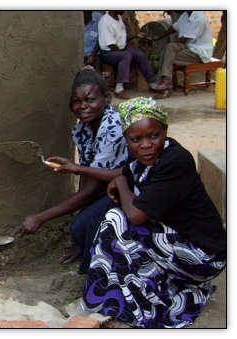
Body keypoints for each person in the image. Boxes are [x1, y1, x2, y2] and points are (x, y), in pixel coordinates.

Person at [82, 97, 226, 328]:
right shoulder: (144, 157)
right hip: (180, 241)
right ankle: (122, 296)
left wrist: (120, 183)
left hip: (204, 256)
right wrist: (75, 168)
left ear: (165, 131)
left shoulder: (175, 160)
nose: (146, 145)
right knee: (120, 222)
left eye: (154, 136)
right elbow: (124, 172)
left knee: (117, 221)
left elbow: (136, 215)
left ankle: (135, 309)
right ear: (127, 139)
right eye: (136, 139)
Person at [14, 69, 129, 274]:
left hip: (131, 188)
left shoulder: (112, 127)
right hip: (109, 185)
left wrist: (39, 218)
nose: (83, 106)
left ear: (106, 98)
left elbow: (90, 190)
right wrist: (77, 172)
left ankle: (93, 274)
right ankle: (84, 240)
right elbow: (88, 178)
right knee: (80, 225)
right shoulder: (84, 129)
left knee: (87, 224)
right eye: (77, 101)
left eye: (90, 99)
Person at [149, 11, 214, 98]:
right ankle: (165, 82)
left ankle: (166, 85)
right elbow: (174, 27)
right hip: (188, 47)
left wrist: (171, 44)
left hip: (199, 52)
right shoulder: (185, 15)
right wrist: (159, 37)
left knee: (168, 55)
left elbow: (186, 38)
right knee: (169, 50)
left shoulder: (199, 18)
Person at [97, 11, 160, 99]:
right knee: (126, 56)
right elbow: (111, 45)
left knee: (140, 55)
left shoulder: (119, 18)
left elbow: (122, 40)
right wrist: (125, 52)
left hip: (121, 50)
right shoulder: (105, 21)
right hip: (108, 53)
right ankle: (119, 89)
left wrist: (136, 36)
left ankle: (152, 83)